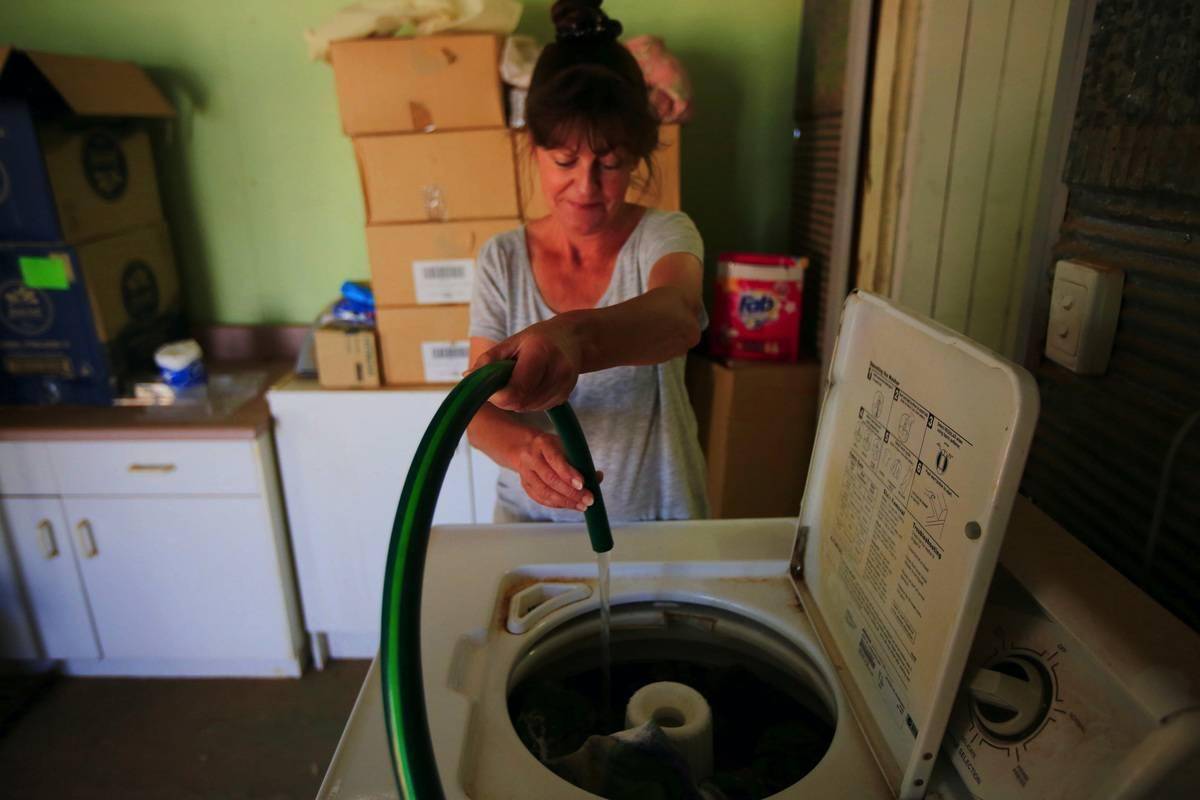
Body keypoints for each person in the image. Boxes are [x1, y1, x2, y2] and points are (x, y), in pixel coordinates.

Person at [467, 0, 708, 523]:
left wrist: (571, 339)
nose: (586, 186)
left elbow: (678, 315)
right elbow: (476, 412)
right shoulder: (501, 260)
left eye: (611, 163)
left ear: (640, 157)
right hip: (530, 534)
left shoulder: (664, 235)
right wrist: (525, 452)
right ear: (533, 148)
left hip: (660, 527)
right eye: (565, 161)